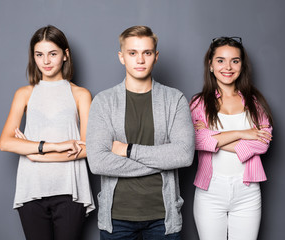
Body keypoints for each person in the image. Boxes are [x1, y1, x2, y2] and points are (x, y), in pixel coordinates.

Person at [86, 26, 194, 240]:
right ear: (121, 57)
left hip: (163, 217)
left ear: (156, 56)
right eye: (132, 53)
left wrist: (128, 150)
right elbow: (98, 162)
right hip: (117, 218)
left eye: (147, 52)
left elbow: (183, 155)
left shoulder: (175, 99)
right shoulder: (104, 101)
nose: (140, 60)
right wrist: (161, 160)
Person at [0, 25, 95, 240]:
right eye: (39, 55)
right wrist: (52, 146)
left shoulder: (80, 94)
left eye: (53, 53)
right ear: (33, 57)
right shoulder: (24, 93)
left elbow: (88, 147)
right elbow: (5, 142)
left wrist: (33, 153)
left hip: (71, 189)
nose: (46, 61)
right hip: (32, 187)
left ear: (65, 55)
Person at [190, 37, 274, 240]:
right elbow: (197, 141)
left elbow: (262, 145)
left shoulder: (255, 103)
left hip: (248, 190)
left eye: (235, 61)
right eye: (220, 60)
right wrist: (243, 133)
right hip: (210, 190)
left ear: (242, 65)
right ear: (210, 65)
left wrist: (214, 139)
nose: (228, 67)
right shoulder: (198, 103)